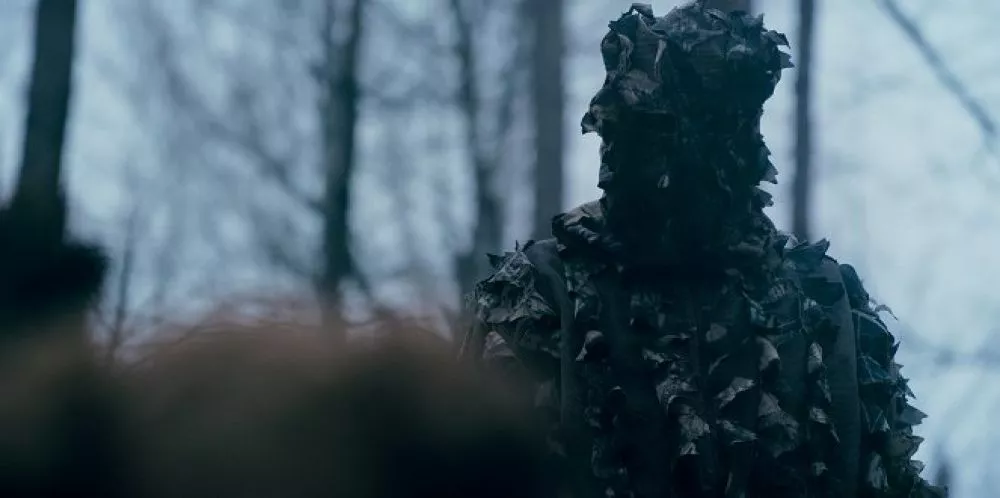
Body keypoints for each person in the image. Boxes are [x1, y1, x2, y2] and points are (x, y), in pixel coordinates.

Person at [460, 3, 945, 497]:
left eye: (691, 130)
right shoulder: (543, 294)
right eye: (646, 126)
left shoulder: (825, 301)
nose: (667, 161)